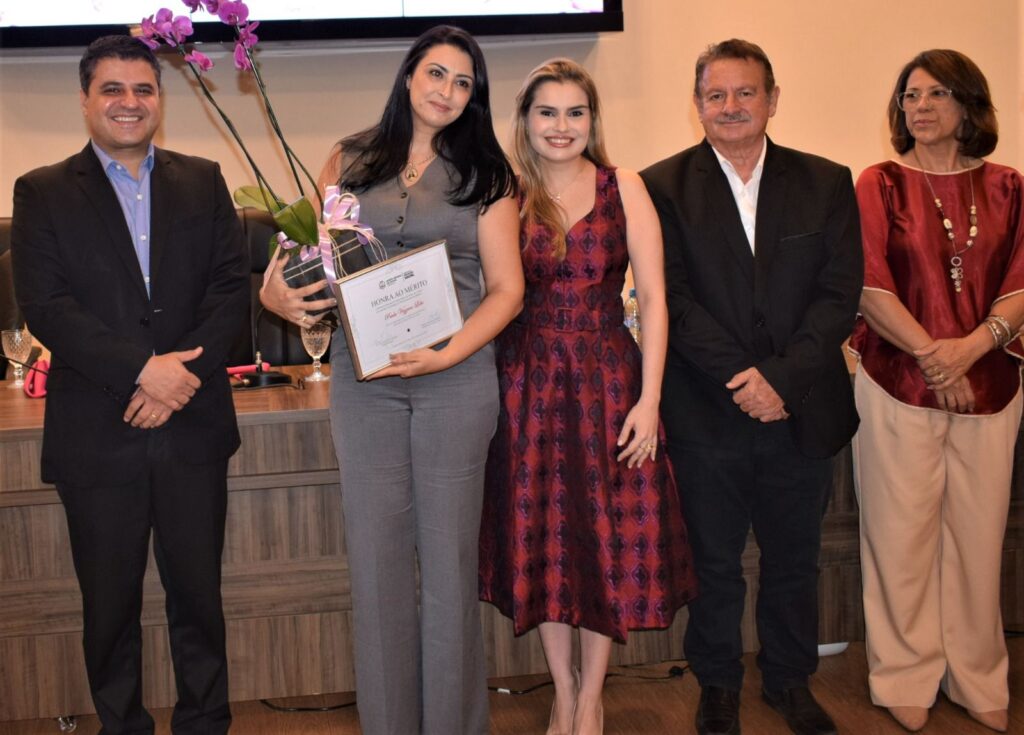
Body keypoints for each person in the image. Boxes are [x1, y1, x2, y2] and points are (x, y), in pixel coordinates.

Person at [259, 25, 523, 735]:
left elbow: (507, 291)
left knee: (448, 568)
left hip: (456, 381)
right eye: (436, 73)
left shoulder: (490, 177)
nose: (447, 91)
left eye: (463, 82)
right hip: (365, 381)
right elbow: (317, 263)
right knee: (376, 568)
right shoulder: (347, 160)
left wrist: (447, 354)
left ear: (474, 98)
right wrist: (277, 293)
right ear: (409, 76)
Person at [10, 35, 249, 734]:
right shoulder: (42, 191)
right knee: (109, 608)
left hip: (193, 426)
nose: (129, 102)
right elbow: (47, 305)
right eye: (112, 89)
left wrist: (181, 377)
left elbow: (230, 290)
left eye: (143, 89)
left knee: (199, 599)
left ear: (159, 100)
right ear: (86, 100)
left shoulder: (203, 180)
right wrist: (145, 371)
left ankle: (205, 723)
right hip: (98, 432)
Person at [640, 39, 863, 735]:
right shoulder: (659, 187)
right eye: (716, 95)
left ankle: (789, 681)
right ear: (697, 103)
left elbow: (839, 295)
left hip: (802, 406)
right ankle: (717, 684)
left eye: (745, 93)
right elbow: (670, 299)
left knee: (795, 559)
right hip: (707, 409)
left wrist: (781, 381)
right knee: (714, 563)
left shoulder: (826, 181)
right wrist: (746, 379)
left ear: (772, 99)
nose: (731, 106)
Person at [479, 58, 697, 735]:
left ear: (592, 120)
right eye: (547, 112)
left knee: (608, 536)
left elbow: (654, 299)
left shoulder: (623, 185)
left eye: (575, 112)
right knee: (543, 537)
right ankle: (564, 688)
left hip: (610, 382)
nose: (561, 125)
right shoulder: (506, 194)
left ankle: (593, 695)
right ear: (525, 120)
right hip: (528, 385)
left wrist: (650, 399)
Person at [850, 49, 1024, 734]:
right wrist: (933, 357)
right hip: (897, 382)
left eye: (936, 93)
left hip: (991, 384)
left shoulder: (1009, 186)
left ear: (969, 103)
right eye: (909, 96)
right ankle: (904, 672)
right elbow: (868, 283)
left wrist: (969, 350)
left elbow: (1022, 282)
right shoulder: (880, 183)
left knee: (980, 537)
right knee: (899, 536)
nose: (919, 107)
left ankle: (977, 673)